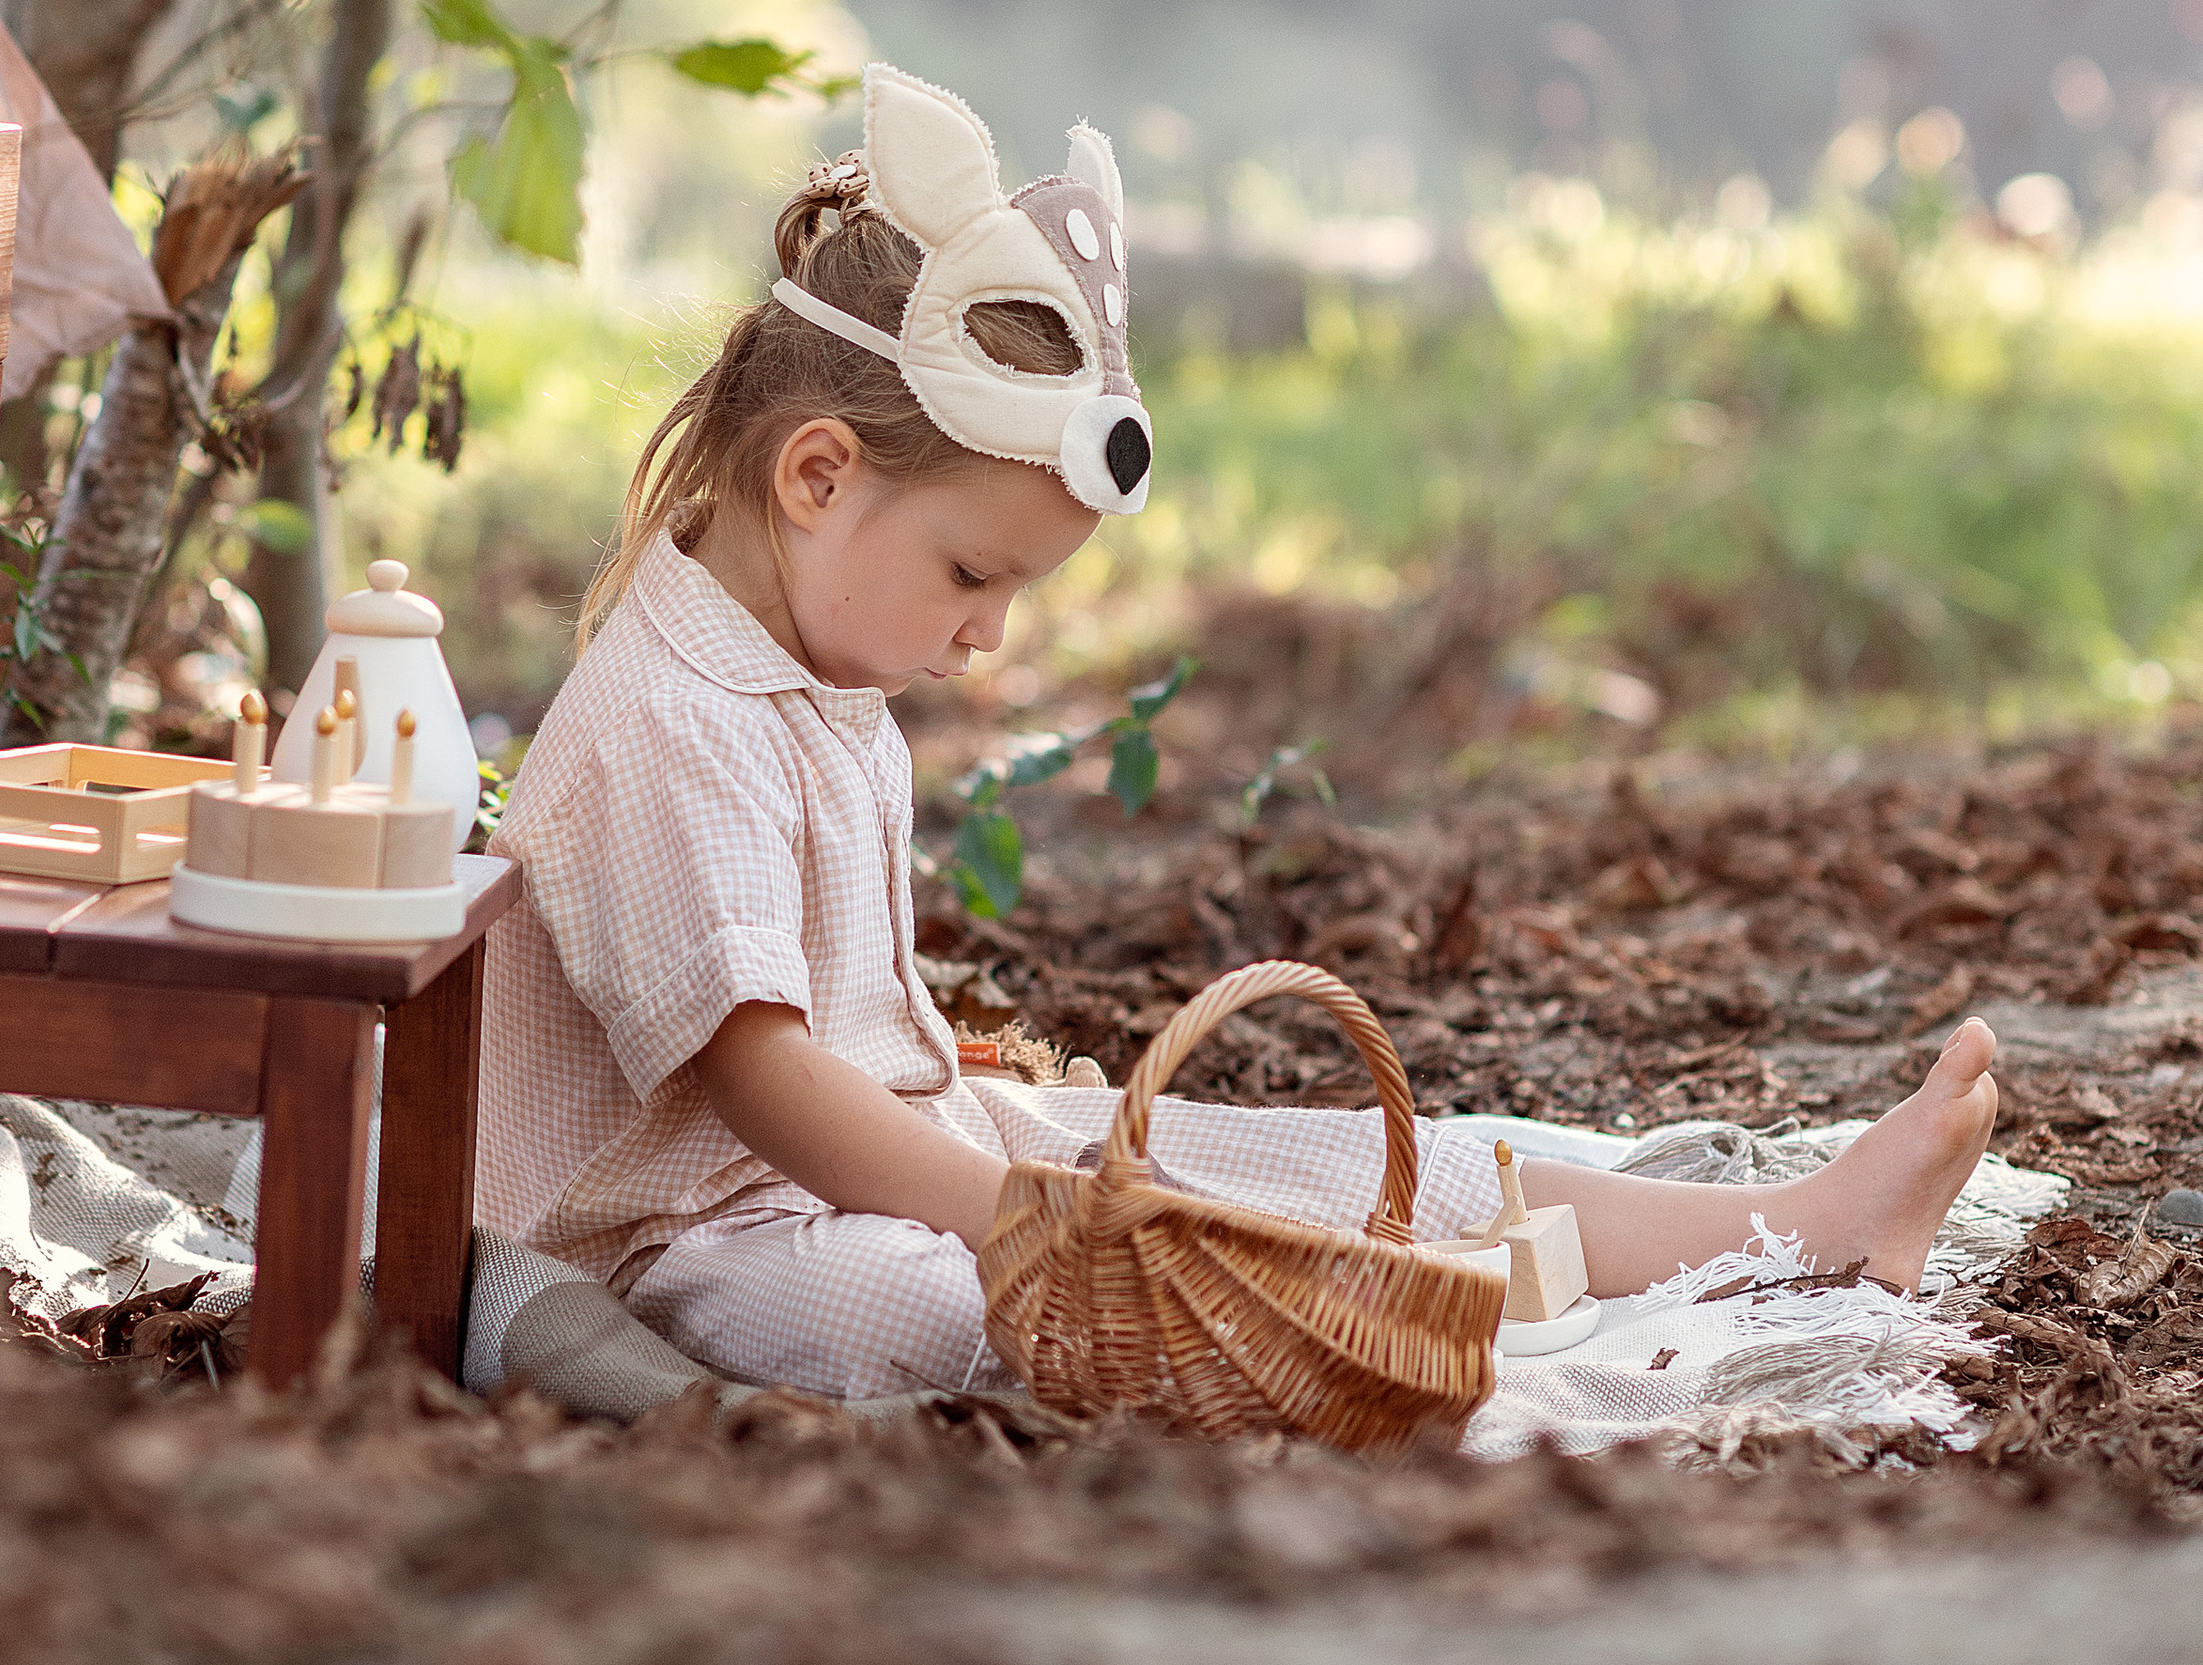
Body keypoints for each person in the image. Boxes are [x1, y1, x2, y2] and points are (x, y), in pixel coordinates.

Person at [482, 68, 2000, 1402]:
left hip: (889, 1156)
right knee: (963, 1308)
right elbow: (763, 1086)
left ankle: (1792, 1236)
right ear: (815, 479)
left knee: (1296, 1161)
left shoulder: (803, 664)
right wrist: (1016, 1214)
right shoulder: (672, 722)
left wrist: (1033, 1166)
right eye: (973, 574)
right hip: (697, 1237)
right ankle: (1359, 1343)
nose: (988, 632)